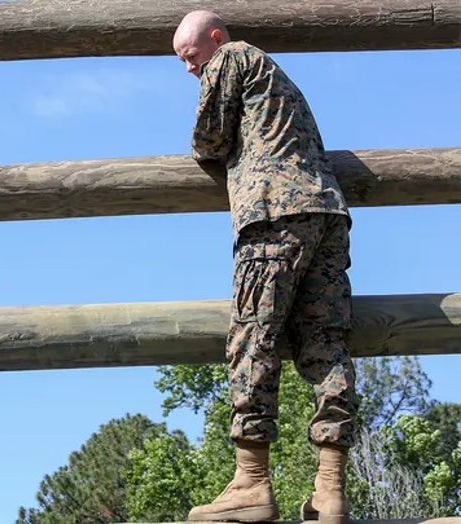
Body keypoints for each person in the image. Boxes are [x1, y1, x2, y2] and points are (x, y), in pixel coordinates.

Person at [172, 10, 359, 524]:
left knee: (253, 339)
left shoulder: (232, 56)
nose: (188, 69)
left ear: (213, 38)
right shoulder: (276, 80)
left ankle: (251, 484)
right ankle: (330, 490)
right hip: (327, 213)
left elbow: (208, 139)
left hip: (274, 212)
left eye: (189, 57)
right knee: (326, 343)